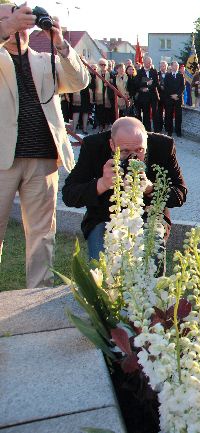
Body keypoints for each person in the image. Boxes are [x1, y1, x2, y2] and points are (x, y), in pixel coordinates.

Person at [0, 4, 90, 289]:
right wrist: (6, 29)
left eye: (19, 20)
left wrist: (60, 42)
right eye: (6, 19)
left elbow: (79, 81)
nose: (16, 24)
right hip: (2, 159)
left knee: (42, 234)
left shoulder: (44, 59)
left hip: (43, 158)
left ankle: (36, 299)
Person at [61, 117, 187, 260]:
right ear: (112, 145)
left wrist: (151, 189)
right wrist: (101, 184)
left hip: (148, 217)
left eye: (140, 150)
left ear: (147, 141)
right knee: (101, 267)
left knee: (152, 261)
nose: (133, 157)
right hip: (104, 218)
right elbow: (69, 194)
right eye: (125, 151)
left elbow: (180, 193)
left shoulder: (163, 146)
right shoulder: (94, 146)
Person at [135, 56, 159, 131]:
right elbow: (137, 84)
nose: (150, 64)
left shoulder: (154, 71)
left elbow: (156, 83)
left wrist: (148, 87)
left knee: (155, 113)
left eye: (151, 62)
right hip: (144, 97)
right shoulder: (139, 72)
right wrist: (146, 83)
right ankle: (147, 130)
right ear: (144, 62)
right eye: (148, 62)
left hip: (153, 95)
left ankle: (156, 130)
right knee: (146, 114)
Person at [164, 61, 185, 137]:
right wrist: (172, 95)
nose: (176, 67)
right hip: (169, 98)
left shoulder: (181, 75)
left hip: (178, 99)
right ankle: (169, 131)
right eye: (175, 66)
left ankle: (178, 131)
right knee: (169, 115)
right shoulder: (167, 75)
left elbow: (182, 87)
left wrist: (177, 95)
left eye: (177, 66)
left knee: (178, 115)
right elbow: (165, 87)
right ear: (171, 66)